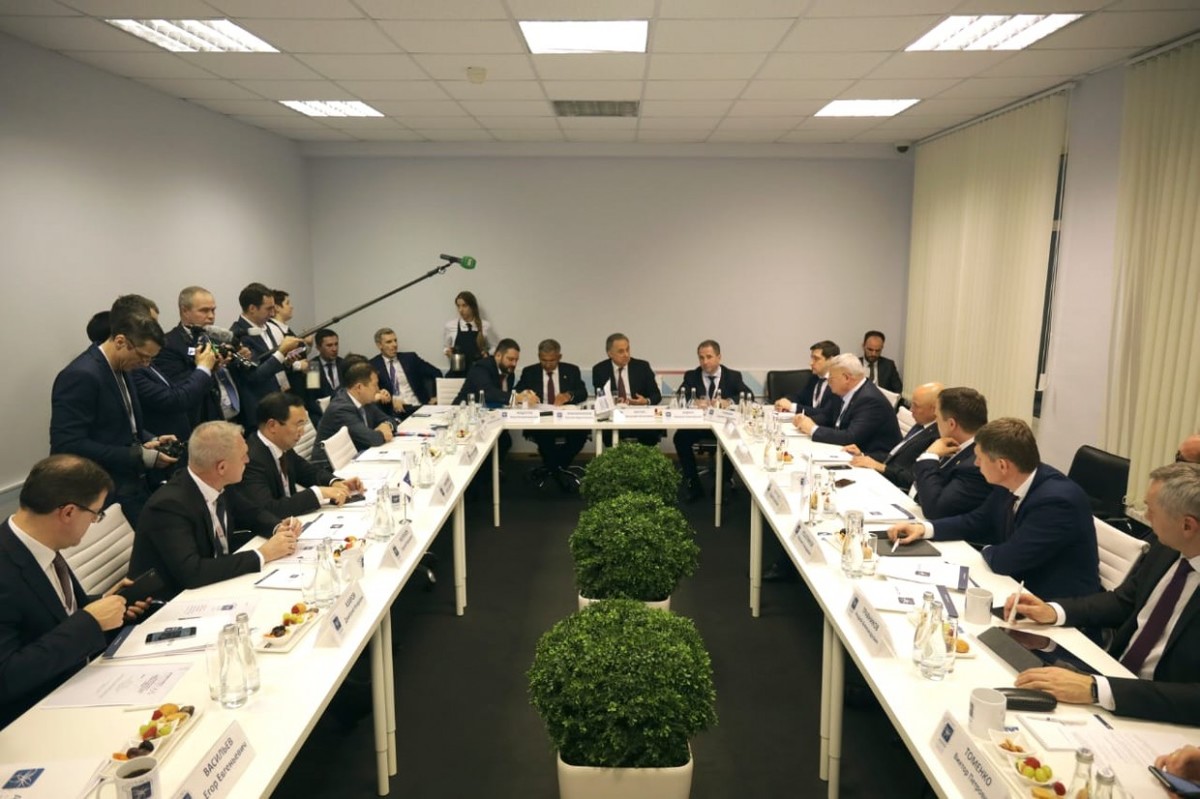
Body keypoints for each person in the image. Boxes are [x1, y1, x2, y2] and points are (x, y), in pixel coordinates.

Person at [1007, 462, 1200, 726]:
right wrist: (1054, 611)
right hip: (1112, 675)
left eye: (1152, 511)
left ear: (1187, 525)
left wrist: (1097, 690)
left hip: (1163, 717)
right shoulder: (1168, 548)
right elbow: (1124, 601)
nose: (1145, 517)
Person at [0, 455, 151, 729]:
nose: (94, 522)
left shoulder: (44, 545)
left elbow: (55, 613)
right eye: (95, 515)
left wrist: (104, 605)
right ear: (68, 513)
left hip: (85, 682)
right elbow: (7, 676)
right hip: (34, 719)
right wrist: (90, 621)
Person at [889, 418, 1100, 599]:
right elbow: (978, 520)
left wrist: (986, 548)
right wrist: (924, 529)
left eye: (980, 458)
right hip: (1013, 584)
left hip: (1051, 604)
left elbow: (1006, 561)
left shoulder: (1056, 502)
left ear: (1002, 465)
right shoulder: (1011, 480)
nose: (975, 464)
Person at [129, 421, 301, 599]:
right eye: (243, 456)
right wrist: (263, 554)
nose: (248, 460)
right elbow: (192, 572)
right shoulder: (168, 506)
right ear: (222, 467)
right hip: (173, 600)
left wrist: (277, 527)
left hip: (216, 583)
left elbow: (250, 513)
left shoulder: (216, 482)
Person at [50, 305, 178, 526]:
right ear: (120, 341)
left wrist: (149, 439)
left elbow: (123, 422)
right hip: (99, 488)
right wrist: (137, 455)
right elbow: (67, 443)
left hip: (130, 483)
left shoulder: (122, 366)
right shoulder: (81, 375)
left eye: (150, 359)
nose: (145, 364)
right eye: (143, 357)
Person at [230, 392, 365, 518]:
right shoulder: (251, 458)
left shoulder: (281, 445)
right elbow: (268, 509)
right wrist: (319, 493)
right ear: (272, 426)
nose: (303, 432)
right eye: (298, 425)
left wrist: (334, 482)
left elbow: (306, 471)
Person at [153, 286, 242, 429]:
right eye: (204, 310)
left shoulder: (214, 338)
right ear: (185, 311)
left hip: (225, 417)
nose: (211, 316)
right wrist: (206, 368)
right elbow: (180, 389)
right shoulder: (168, 344)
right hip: (195, 423)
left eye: (213, 310)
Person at [673, 340, 750, 502]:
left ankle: (722, 483)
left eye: (709, 357)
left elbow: (748, 396)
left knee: (737, 439)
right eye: (701, 358)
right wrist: (694, 401)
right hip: (699, 426)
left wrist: (728, 401)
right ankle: (693, 483)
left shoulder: (733, 376)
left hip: (723, 426)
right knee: (680, 438)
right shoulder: (692, 375)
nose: (705, 362)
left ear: (719, 357)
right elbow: (681, 395)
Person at [794, 353, 901, 460]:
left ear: (846, 378)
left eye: (831, 377)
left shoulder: (870, 400)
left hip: (872, 459)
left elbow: (850, 437)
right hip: (846, 451)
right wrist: (806, 420)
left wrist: (813, 429)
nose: (828, 381)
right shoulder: (843, 391)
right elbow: (827, 416)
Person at [514, 339, 589, 489]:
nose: (548, 364)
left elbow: (583, 392)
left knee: (581, 434)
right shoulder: (530, 372)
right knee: (545, 437)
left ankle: (555, 467)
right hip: (540, 420)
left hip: (565, 418)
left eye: (552, 360)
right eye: (544, 360)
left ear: (559, 357)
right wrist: (526, 395)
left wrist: (568, 395)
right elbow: (518, 392)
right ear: (539, 356)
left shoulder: (571, 370)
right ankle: (558, 472)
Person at [228, 282, 304, 431]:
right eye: (268, 309)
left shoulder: (267, 327)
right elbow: (254, 376)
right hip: (258, 409)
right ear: (252, 308)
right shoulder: (236, 335)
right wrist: (281, 352)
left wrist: (286, 362)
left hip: (277, 402)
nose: (272, 313)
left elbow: (270, 363)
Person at [909, 386, 992, 519]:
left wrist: (929, 456)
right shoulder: (953, 444)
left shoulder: (976, 464)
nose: (936, 423)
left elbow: (935, 509)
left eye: (937, 417)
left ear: (951, 424)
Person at [844, 382, 942, 493]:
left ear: (934, 409)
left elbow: (914, 480)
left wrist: (880, 467)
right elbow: (894, 456)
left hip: (895, 489)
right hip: (883, 478)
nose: (911, 409)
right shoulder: (921, 424)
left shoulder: (937, 438)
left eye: (916, 406)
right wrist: (863, 455)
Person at [454, 339, 536, 461]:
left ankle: (492, 471)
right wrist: (516, 398)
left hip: (490, 417)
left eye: (516, 360)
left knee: (504, 442)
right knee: (498, 443)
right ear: (498, 355)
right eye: (510, 359)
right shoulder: (481, 367)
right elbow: (488, 392)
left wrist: (523, 394)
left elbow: (503, 394)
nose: (514, 364)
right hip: (466, 416)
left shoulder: (509, 372)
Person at [591, 333, 663, 448]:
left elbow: (656, 395)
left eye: (627, 349)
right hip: (615, 417)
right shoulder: (600, 370)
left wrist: (645, 401)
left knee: (650, 434)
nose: (626, 354)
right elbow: (600, 397)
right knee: (609, 434)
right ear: (609, 353)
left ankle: (644, 459)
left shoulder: (642, 366)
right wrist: (612, 402)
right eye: (621, 351)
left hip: (640, 416)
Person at [315, 361, 395, 453]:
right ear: (359, 387)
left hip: (357, 453)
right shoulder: (341, 409)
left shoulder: (365, 400)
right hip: (330, 462)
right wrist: (382, 433)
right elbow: (372, 439)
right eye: (375, 385)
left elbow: (390, 420)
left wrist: (387, 426)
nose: (378, 390)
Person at [371, 327, 443, 418]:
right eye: (389, 342)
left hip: (418, 407)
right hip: (393, 412)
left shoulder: (410, 358)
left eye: (395, 340)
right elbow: (370, 391)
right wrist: (390, 398)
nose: (394, 345)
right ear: (379, 345)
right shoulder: (373, 365)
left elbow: (436, 372)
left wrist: (435, 396)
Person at [775, 340, 841, 419]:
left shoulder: (838, 383)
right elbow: (799, 397)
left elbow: (825, 413)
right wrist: (784, 400)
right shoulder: (815, 378)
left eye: (816, 359)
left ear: (831, 360)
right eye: (811, 358)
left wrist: (792, 407)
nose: (811, 363)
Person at [443, 290, 495, 376]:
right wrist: (448, 352)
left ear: (472, 307)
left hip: (478, 373)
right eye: (458, 306)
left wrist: (487, 354)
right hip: (457, 372)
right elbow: (446, 347)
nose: (460, 310)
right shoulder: (450, 326)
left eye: (464, 306)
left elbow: (494, 347)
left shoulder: (485, 326)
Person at [861, 330, 902, 394]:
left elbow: (898, 390)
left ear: (882, 348)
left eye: (877, 351)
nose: (873, 354)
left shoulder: (889, 366)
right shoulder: (854, 365)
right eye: (870, 350)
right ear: (863, 346)